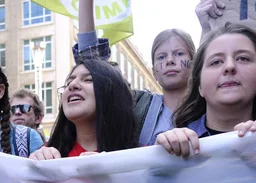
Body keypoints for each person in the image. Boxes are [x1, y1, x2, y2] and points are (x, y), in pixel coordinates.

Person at [154, 23, 256, 158]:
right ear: (199, 86)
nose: (229, 66)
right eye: (216, 61)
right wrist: (160, 160)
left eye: (243, 58)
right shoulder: (175, 145)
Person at [73, 0, 196, 146]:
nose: (170, 61)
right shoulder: (139, 104)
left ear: (194, 65)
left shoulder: (209, 105)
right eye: (161, 57)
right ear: (153, 73)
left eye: (179, 54)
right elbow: (92, 64)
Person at [29, 58, 137, 159]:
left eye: (88, 80)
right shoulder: (47, 156)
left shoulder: (140, 158)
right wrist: (32, 169)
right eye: (68, 82)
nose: (73, 85)